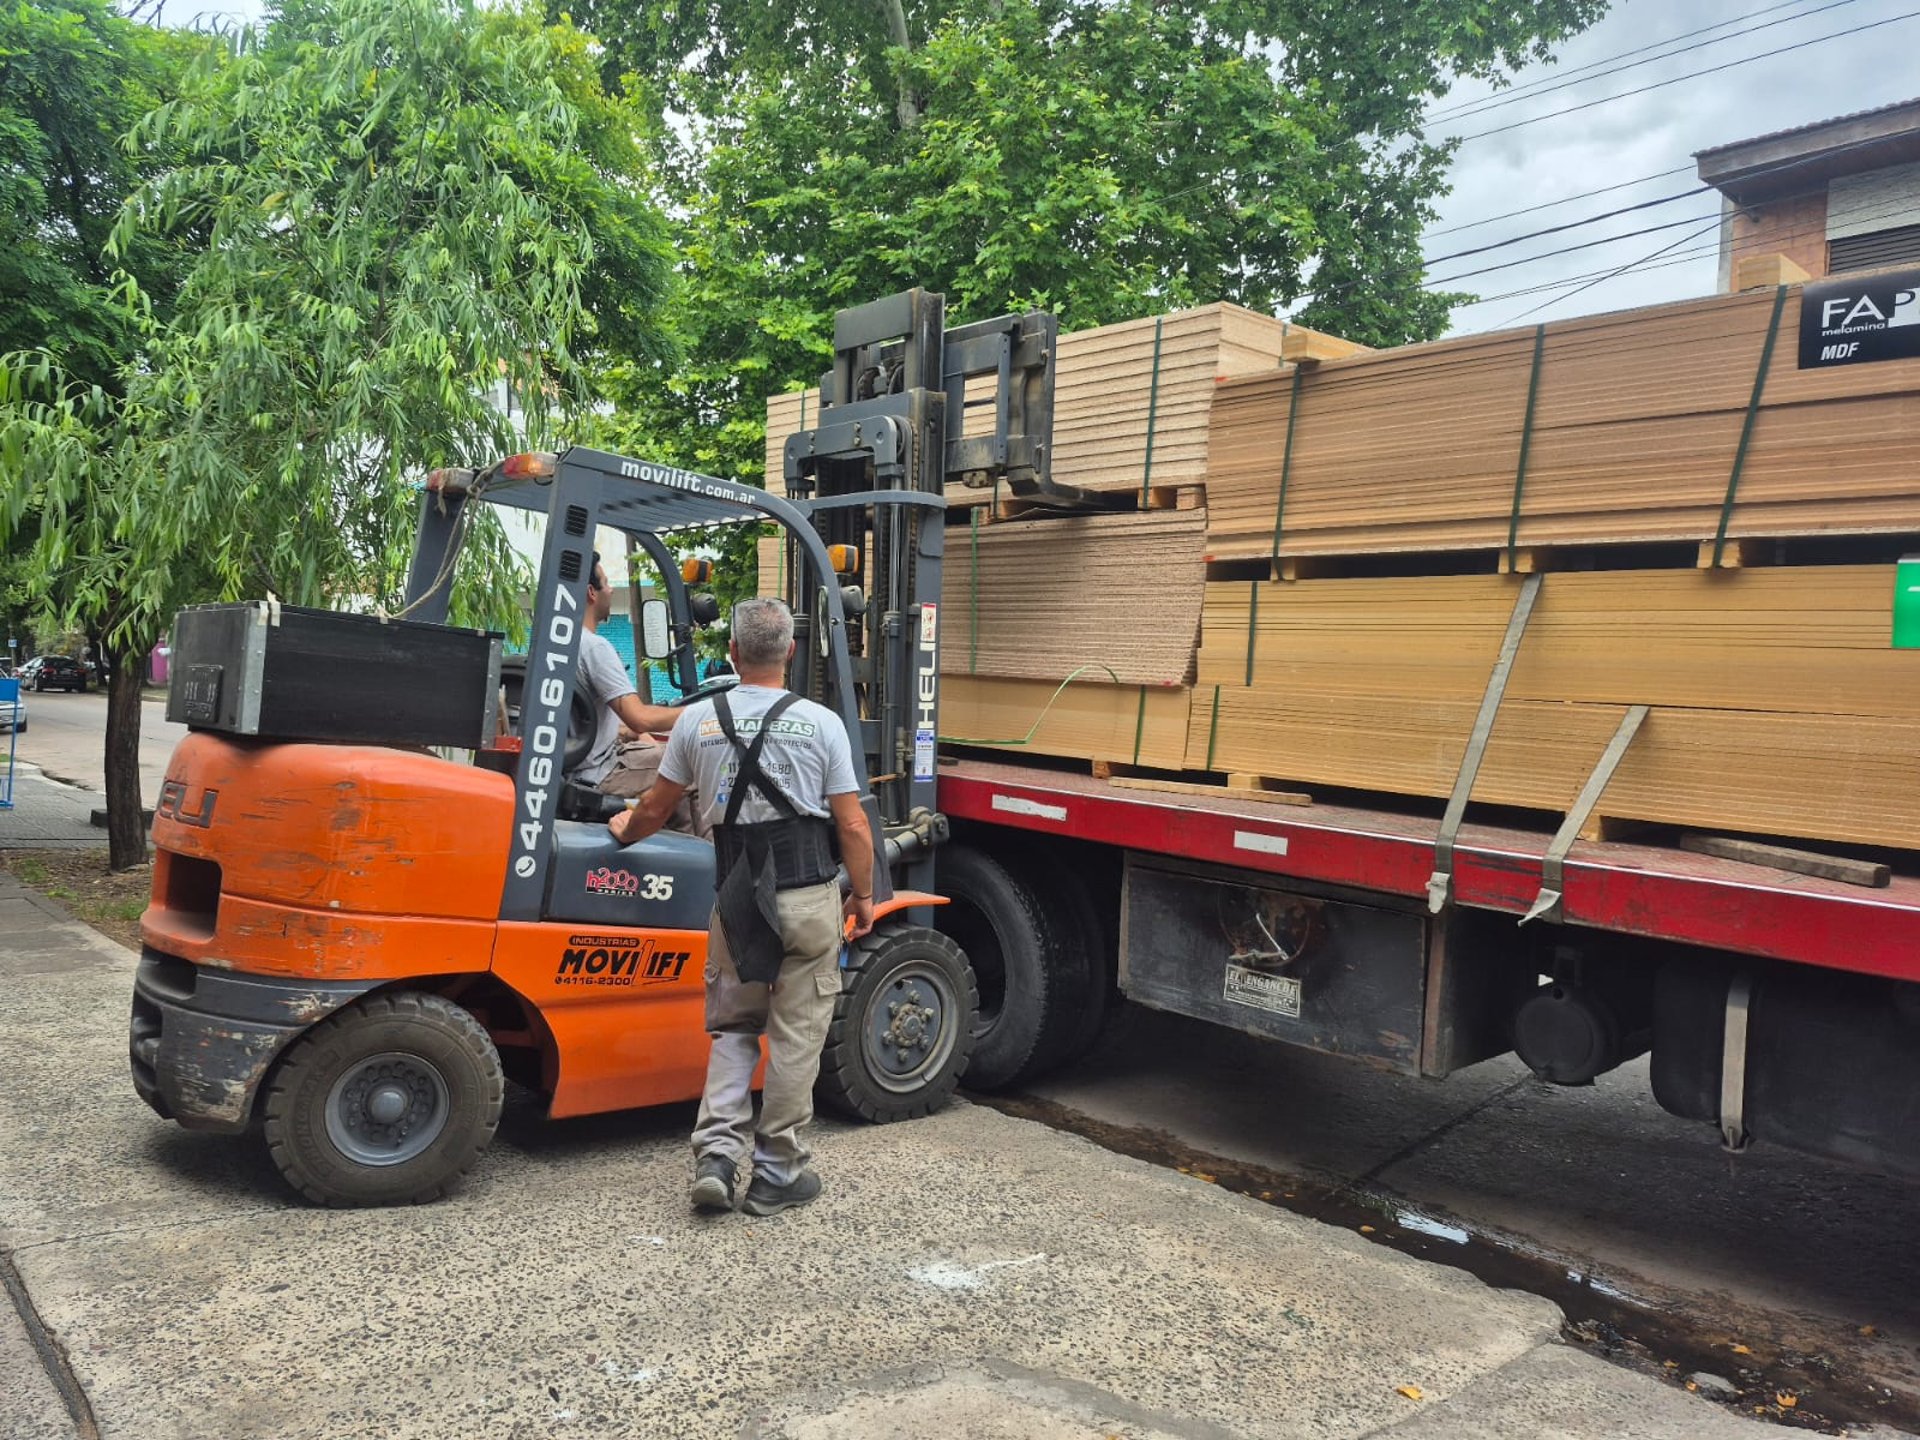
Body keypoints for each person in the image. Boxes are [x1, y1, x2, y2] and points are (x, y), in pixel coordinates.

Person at [608, 597, 875, 1216]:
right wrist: (861, 896)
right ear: (790, 652)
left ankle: (717, 1159)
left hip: (735, 897)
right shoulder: (824, 724)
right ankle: (778, 1172)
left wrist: (622, 831)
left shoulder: (698, 723)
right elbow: (854, 825)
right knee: (796, 1035)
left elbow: (653, 808)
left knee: (734, 1027)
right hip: (807, 894)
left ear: (731, 654)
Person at [572, 552, 681, 787]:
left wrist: (625, 732)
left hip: (581, 767)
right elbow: (640, 718)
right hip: (600, 773)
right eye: (607, 583)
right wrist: (702, 712)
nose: (610, 591)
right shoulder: (594, 647)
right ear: (592, 592)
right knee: (688, 764)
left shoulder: (562, 644)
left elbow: (581, 724)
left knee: (662, 760)